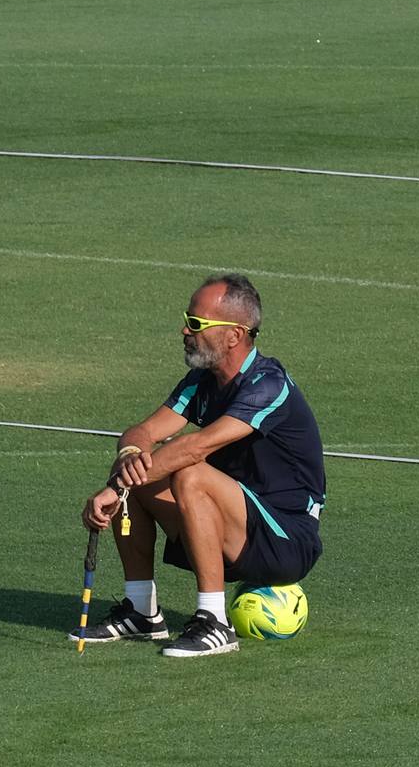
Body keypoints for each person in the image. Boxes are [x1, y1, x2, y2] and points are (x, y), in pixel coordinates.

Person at [71, 273, 325, 656]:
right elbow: (142, 431)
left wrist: (115, 487)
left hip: (285, 540)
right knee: (141, 465)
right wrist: (128, 460)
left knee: (186, 470)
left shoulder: (268, 385)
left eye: (196, 324)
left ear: (234, 335)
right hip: (225, 524)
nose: (184, 331)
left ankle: (215, 622)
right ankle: (142, 612)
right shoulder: (201, 381)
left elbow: (195, 447)